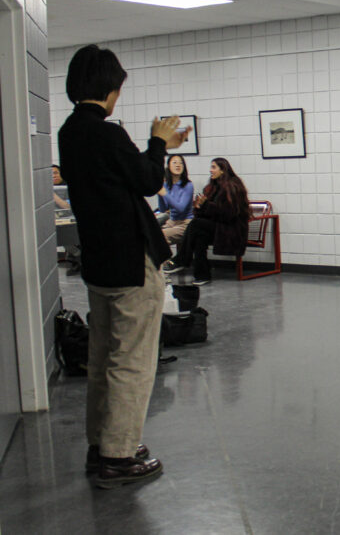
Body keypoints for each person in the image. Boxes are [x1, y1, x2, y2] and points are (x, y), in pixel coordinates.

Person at [58, 44, 191, 488]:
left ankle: (102, 445)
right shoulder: (108, 134)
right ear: (111, 90)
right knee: (132, 360)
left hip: (98, 261)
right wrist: (159, 142)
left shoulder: (68, 132)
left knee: (102, 358)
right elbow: (149, 180)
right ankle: (119, 455)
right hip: (131, 261)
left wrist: (155, 147)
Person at [164, 157, 250, 286]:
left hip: (231, 230)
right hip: (218, 228)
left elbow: (228, 214)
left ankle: (181, 260)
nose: (210, 170)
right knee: (199, 235)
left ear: (223, 170)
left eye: (214, 167)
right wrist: (200, 208)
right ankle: (202, 275)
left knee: (196, 224)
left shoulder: (233, 187)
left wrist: (206, 206)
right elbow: (207, 213)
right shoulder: (211, 187)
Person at [157, 155, 194, 245]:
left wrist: (164, 193)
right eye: (174, 162)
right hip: (172, 221)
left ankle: (165, 259)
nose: (178, 165)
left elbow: (180, 208)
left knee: (161, 236)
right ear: (168, 166)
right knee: (151, 234)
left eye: (181, 163)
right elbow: (163, 209)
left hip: (185, 223)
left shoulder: (188, 185)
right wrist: (159, 193)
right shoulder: (167, 185)